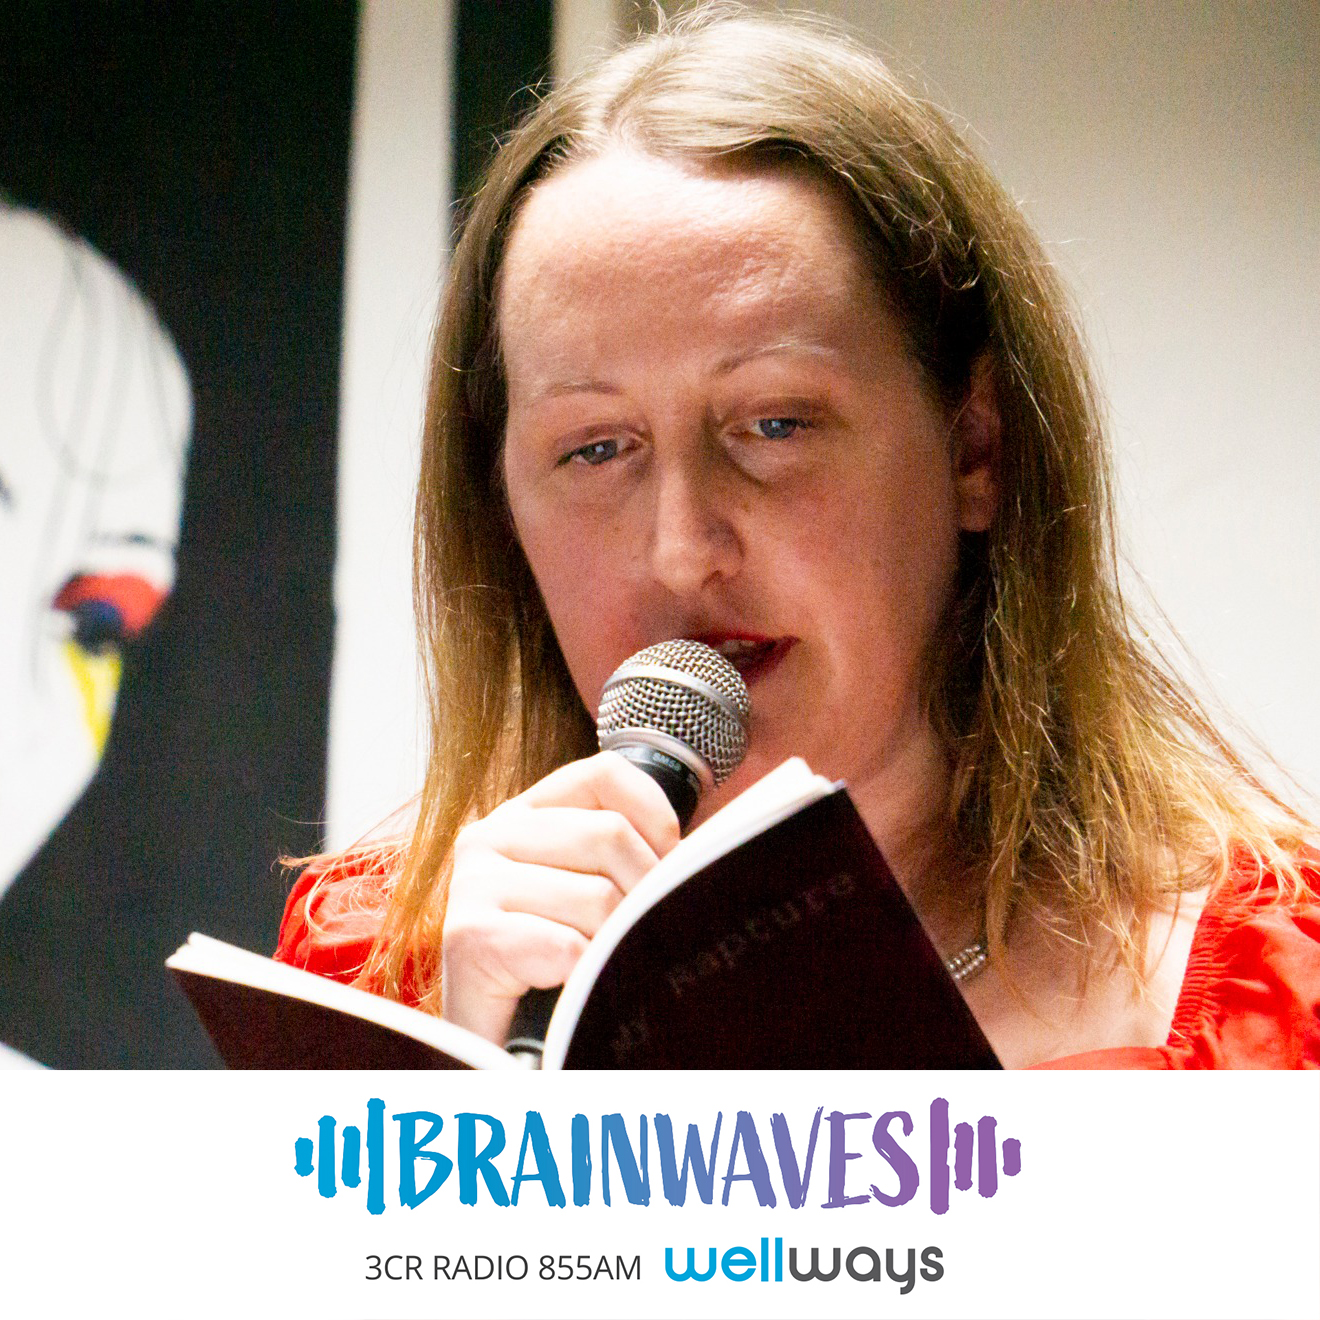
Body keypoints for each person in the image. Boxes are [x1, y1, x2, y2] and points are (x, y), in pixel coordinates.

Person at [276, 5, 1319, 1067]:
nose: (682, 552)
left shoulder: (1279, 995)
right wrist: (464, 1097)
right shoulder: (382, 974)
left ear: (975, 452)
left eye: (775, 425)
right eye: (595, 448)